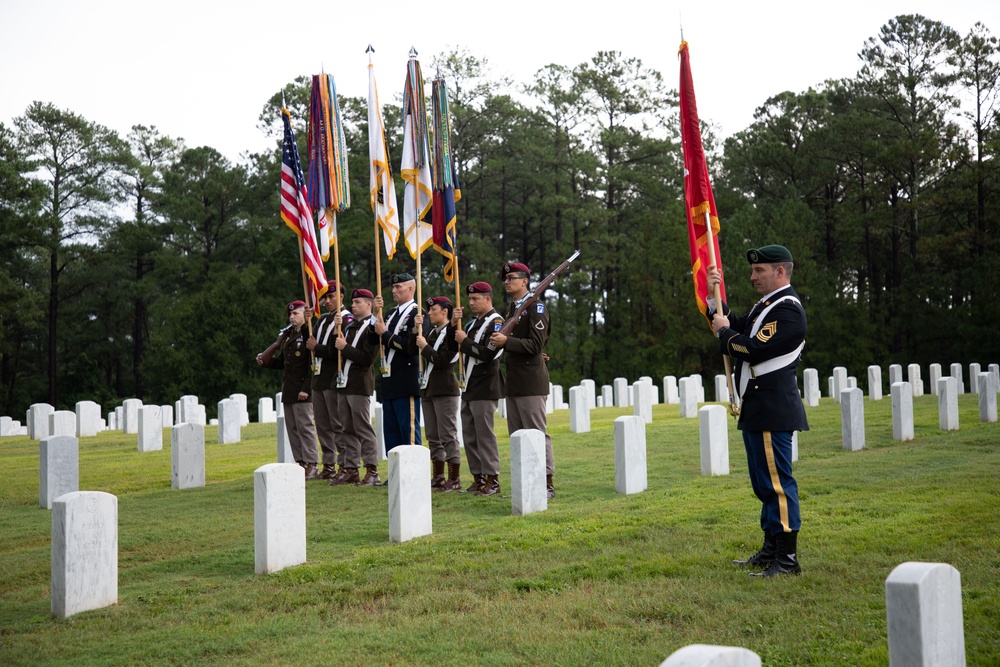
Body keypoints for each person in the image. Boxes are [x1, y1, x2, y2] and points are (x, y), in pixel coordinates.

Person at [707, 244, 809, 577]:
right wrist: (713, 295)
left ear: (780, 271)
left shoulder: (788, 310)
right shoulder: (765, 307)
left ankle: (787, 559)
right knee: (763, 484)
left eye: (759, 271)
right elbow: (734, 323)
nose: (752, 277)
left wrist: (723, 331)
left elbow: (751, 347)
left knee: (778, 484)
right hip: (757, 406)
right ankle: (770, 550)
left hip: (772, 407)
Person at [489, 262, 556, 499]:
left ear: (525, 281)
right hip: (515, 380)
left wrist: (507, 343)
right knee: (517, 434)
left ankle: (546, 483)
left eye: (512, 278)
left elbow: (536, 345)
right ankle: (524, 483)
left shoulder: (536, 308)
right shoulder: (512, 309)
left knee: (536, 433)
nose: (507, 282)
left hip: (531, 381)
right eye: (505, 279)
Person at [257, 300, 319, 479]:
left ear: (305, 315)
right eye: (290, 314)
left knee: (305, 427)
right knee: (293, 429)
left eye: (296, 314)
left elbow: (312, 365)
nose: (292, 317)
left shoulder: (309, 334)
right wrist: (266, 361)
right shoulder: (289, 335)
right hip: (290, 389)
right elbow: (284, 362)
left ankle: (312, 463)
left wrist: (306, 388)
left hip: (303, 390)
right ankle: (301, 463)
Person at [453, 281, 504, 496]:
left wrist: (464, 342)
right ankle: (478, 476)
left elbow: (488, 354)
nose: (471, 302)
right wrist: (454, 323)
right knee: (470, 434)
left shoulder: (497, 322)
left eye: (476, 299)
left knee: (484, 434)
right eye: (470, 299)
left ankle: (492, 478)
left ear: (488, 299)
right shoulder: (472, 324)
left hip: (485, 384)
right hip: (470, 385)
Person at [330, 288, 381, 486]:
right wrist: (337, 334)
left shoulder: (372, 327)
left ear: (369, 304)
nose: (353, 305)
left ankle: (372, 469)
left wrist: (345, 347)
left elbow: (367, 359)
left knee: (362, 428)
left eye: (358, 302)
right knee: (346, 428)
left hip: (360, 383)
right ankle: (351, 468)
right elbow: (340, 354)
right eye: (353, 302)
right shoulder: (350, 326)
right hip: (344, 382)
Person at [411, 296, 462, 492]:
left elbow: (442, 361)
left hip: (444, 389)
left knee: (447, 434)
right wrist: (416, 330)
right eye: (429, 310)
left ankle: (454, 478)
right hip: (428, 388)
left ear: (445, 312)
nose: (429, 313)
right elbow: (410, 349)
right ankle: (438, 476)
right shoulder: (430, 332)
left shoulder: (452, 332)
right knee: (433, 434)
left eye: (433, 310)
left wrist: (424, 346)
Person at [372, 273, 428, 452]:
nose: (393, 290)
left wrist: (385, 334)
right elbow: (372, 341)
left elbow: (410, 348)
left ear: (410, 288)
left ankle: (413, 477)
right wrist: (374, 316)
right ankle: (395, 477)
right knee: (391, 434)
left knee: (408, 433)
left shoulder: (418, 314)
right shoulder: (388, 314)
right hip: (389, 381)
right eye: (393, 287)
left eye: (398, 287)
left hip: (406, 380)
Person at [306, 282, 353, 481]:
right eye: (324, 298)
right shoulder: (323, 320)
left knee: (338, 424)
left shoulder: (347, 318)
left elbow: (336, 351)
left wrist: (316, 348)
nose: (327, 301)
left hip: (334, 378)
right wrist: (308, 322)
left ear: (341, 296)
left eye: (331, 297)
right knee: (323, 425)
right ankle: (328, 465)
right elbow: (310, 342)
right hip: (319, 379)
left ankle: (344, 464)